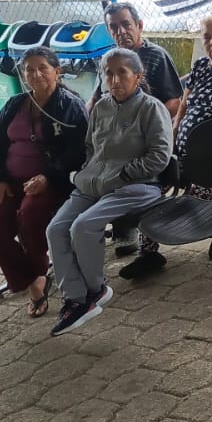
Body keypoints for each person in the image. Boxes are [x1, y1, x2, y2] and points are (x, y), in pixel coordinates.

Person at [120, 14, 212, 279]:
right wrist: (174, 131)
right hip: (182, 149)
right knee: (151, 188)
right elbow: (184, 103)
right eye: (207, 37)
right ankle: (149, 254)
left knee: (192, 195)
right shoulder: (201, 66)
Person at [45, 49, 172, 336]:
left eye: (122, 73)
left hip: (136, 186)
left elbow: (160, 157)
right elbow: (91, 147)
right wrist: (88, 173)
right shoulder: (101, 107)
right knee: (55, 229)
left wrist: (123, 173)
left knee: (83, 226)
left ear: (138, 76)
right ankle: (74, 298)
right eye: (108, 73)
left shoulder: (151, 108)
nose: (114, 80)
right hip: (94, 184)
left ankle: (95, 290)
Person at [0, 47, 89, 317]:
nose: (35, 74)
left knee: (30, 215)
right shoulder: (14, 105)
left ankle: (38, 279)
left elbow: (78, 151)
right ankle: (31, 276)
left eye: (42, 68)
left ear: (57, 72)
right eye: (29, 69)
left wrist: (49, 176)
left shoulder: (69, 106)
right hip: (9, 181)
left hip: (50, 181)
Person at [93, 2, 184, 257]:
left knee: (122, 164)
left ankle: (128, 228)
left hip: (143, 133)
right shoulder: (109, 60)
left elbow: (174, 102)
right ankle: (101, 225)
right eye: (114, 27)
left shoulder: (155, 56)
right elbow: (96, 98)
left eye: (126, 24)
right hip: (110, 132)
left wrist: (144, 122)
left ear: (139, 26)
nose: (121, 31)